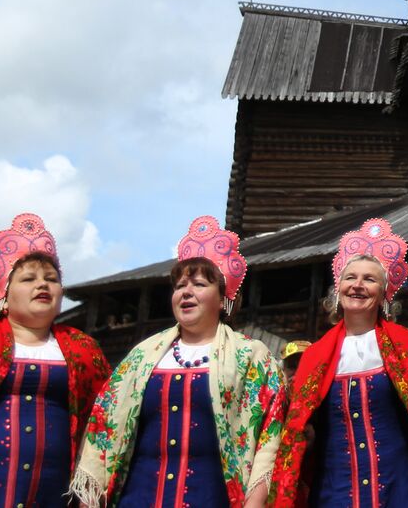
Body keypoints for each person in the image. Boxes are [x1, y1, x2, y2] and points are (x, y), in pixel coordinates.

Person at [71, 216, 287, 508]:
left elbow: (268, 440)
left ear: (223, 297)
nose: (186, 291)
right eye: (179, 285)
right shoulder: (142, 357)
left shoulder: (251, 356)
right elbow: (104, 426)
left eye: (199, 283)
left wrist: (254, 503)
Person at [269, 218, 408, 508]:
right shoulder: (316, 356)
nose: (357, 285)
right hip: (333, 494)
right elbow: (297, 426)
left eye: (369, 279)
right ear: (338, 289)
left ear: (384, 294)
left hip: (400, 490)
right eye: (350, 277)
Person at [0, 213, 111, 506]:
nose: (43, 285)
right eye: (29, 278)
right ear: (4, 292)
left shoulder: (83, 350)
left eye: (51, 279)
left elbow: (104, 424)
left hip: (52, 495)